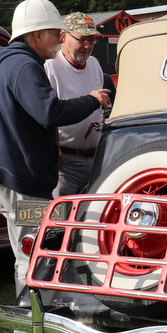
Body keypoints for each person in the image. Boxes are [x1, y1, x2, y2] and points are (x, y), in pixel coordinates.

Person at [0, 0, 110, 333]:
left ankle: (36, 323)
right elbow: (48, 111)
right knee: (32, 251)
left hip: (17, 173)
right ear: (36, 36)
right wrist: (92, 101)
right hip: (22, 177)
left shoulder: (12, 63)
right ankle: (28, 330)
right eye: (54, 32)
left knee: (33, 248)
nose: (58, 38)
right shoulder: (24, 66)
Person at [45, 12, 112, 197]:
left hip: (95, 158)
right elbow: (43, 113)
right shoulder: (50, 66)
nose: (88, 46)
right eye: (82, 39)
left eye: (92, 40)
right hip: (64, 164)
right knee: (62, 220)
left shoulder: (94, 64)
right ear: (63, 36)